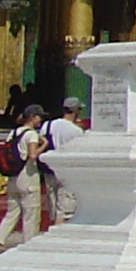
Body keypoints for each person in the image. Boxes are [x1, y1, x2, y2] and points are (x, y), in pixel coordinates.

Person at [0, 105, 48, 255]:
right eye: (39, 117)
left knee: (11, 213)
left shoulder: (13, 133)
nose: (41, 120)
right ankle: (29, 247)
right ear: (32, 117)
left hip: (13, 177)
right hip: (27, 177)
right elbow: (32, 155)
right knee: (31, 213)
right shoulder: (31, 134)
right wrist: (43, 145)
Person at [41, 91, 85, 224]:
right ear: (76, 110)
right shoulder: (76, 131)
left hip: (48, 170)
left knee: (53, 207)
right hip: (66, 171)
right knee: (64, 208)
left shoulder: (48, 125)